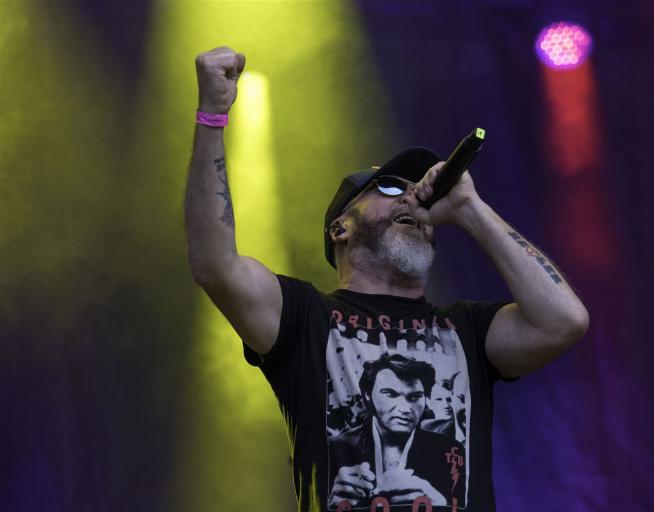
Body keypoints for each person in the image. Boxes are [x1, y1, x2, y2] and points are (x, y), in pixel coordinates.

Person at [185, 46, 589, 512]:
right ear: (340, 228)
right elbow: (215, 265)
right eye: (391, 187)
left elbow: (564, 321)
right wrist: (212, 116)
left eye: (418, 192)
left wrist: (469, 209)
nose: (411, 199)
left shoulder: (467, 331)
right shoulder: (305, 318)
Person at [328, 353, 461, 508]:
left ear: (426, 399)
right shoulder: (334, 448)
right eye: (390, 394)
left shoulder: (450, 451)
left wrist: (440, 505)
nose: (404, 408)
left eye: (415, 397)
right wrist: (331, 503)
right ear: (368, 395)